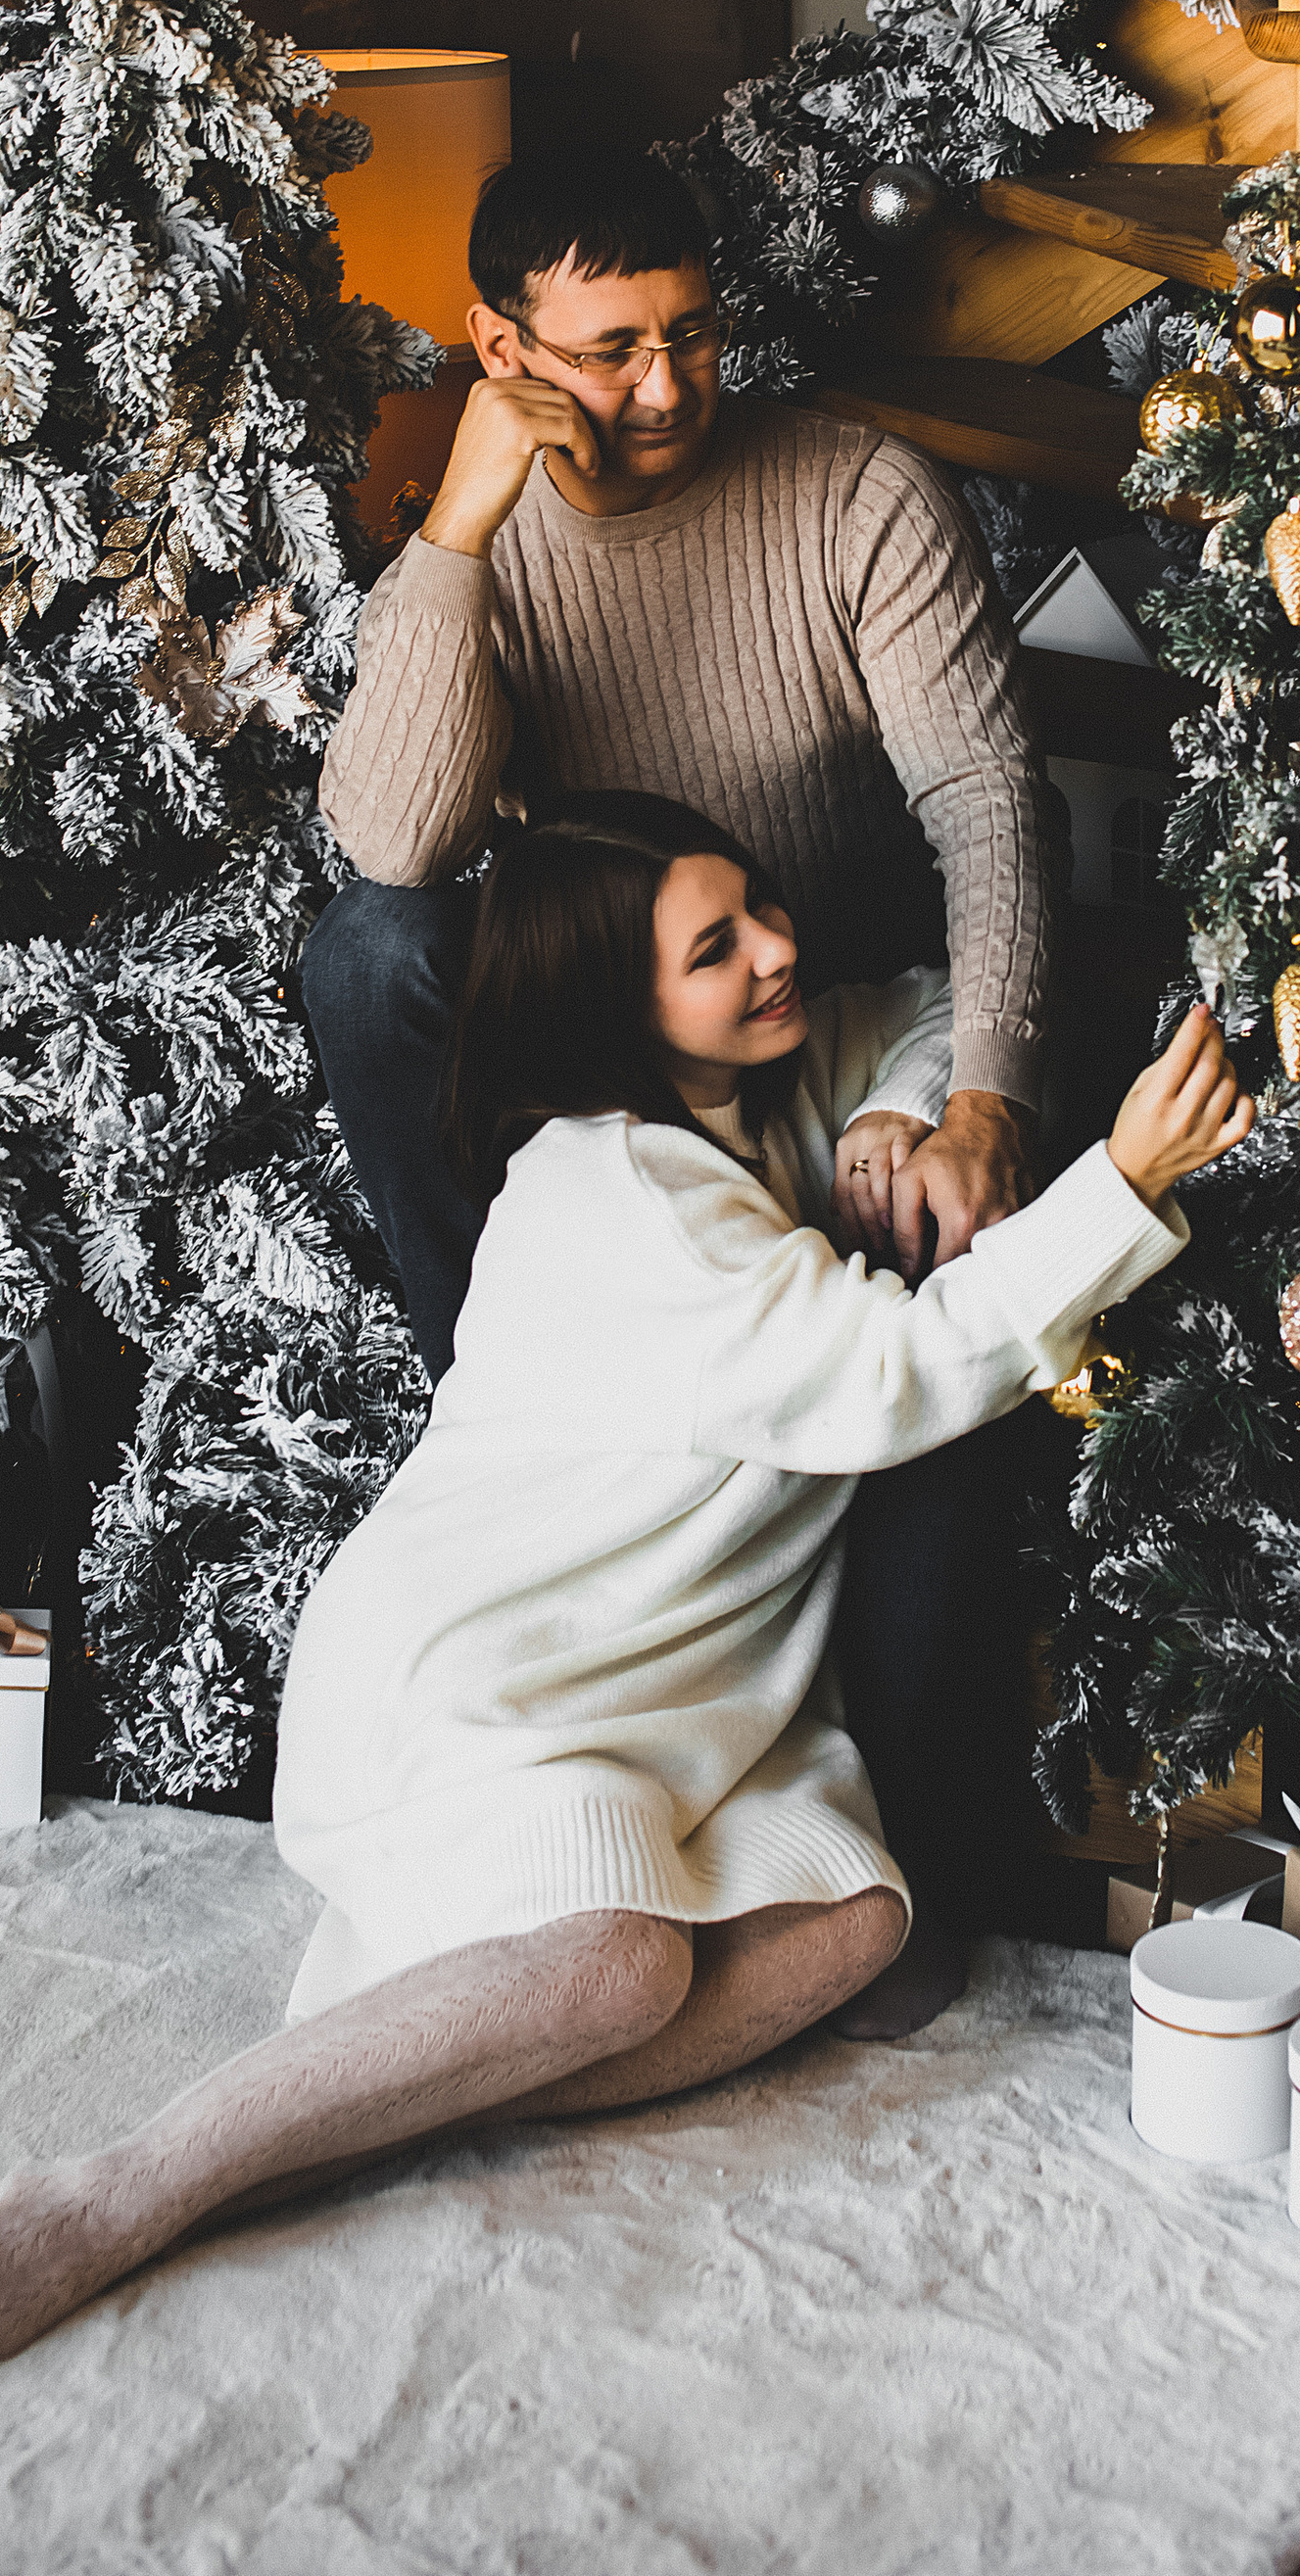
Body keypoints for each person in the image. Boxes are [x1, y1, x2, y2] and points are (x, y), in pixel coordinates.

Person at [0, 796, 1254, 2390]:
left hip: (663, 1713)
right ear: (622, 1013)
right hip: (472, 1686)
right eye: (716, 948)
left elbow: (931, 1007)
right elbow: (895, 1369)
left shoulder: (773, 1075)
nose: (776, 951)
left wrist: (914, 1113)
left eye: (757, 907)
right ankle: (153, 2178)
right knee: (624, 1966)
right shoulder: (615, 1194)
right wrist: (1122, 1180)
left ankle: (409, 2076)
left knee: (856, 1923)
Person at [304, 146, 1067, 2027]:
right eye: (610, 350)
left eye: (694, 335)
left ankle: (898, 1824)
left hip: (839, 1009)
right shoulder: (487, 527)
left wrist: (980, 1097)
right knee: (368, 955)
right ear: (504, 348)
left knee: (936, 1368)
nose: (664, 389)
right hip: (617, 1062)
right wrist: (462, 529)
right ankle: (524, 1369)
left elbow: (987, 807)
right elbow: (390, 850)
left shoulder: (850, 495)